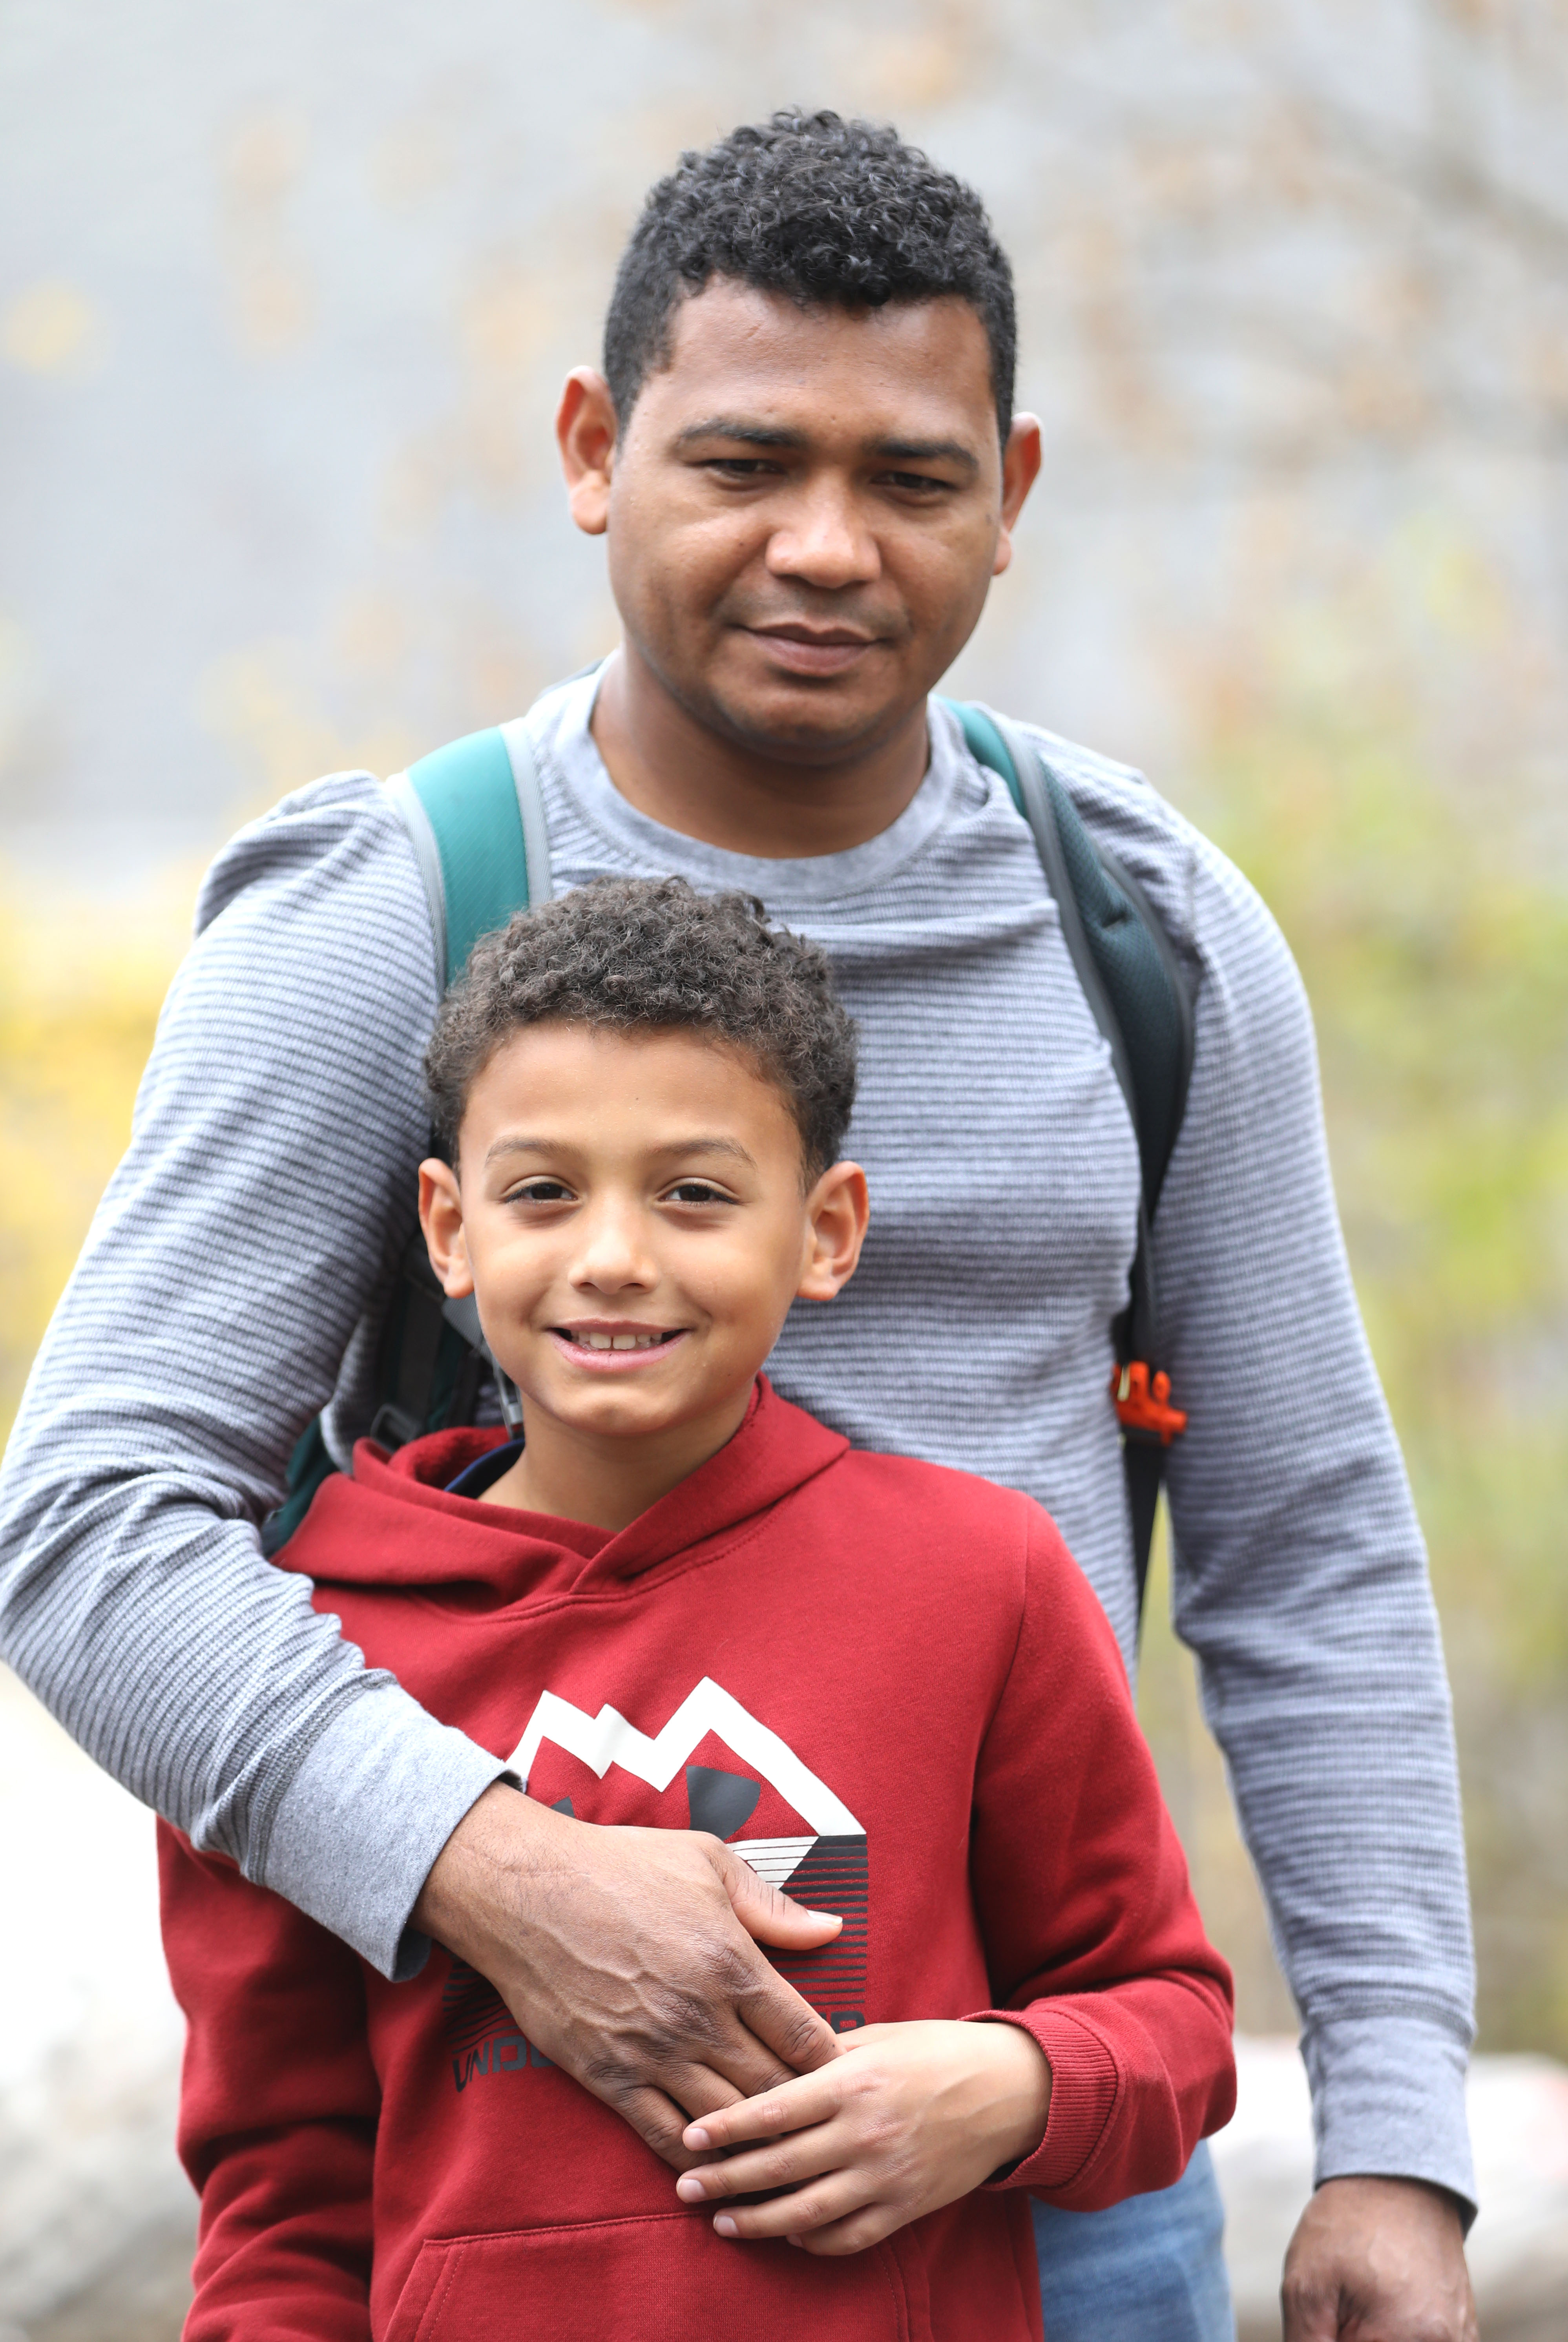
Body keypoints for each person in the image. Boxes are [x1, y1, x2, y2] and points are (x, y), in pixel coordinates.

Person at [0, 109, 1476, 2342]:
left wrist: (1390, 2141)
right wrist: (501, 1877)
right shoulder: (383, 915)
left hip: (1049, 2177)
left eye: (907, 479)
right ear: (594, 450)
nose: (825, 547)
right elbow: (94, 1524)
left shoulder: (1146, 935)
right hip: (502, 2165)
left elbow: (1303, 1542)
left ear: (1011, 491)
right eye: (742, 462)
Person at [160, 875, 1236, 2338]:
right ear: (449, 1227)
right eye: (544, 1191)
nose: (613, 1254)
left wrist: (1012, 2090)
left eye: (696, 1193)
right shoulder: (299, 1654)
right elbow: (282, 2196)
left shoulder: (980, 1579)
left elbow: (1168, 2020)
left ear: (826, 1230)